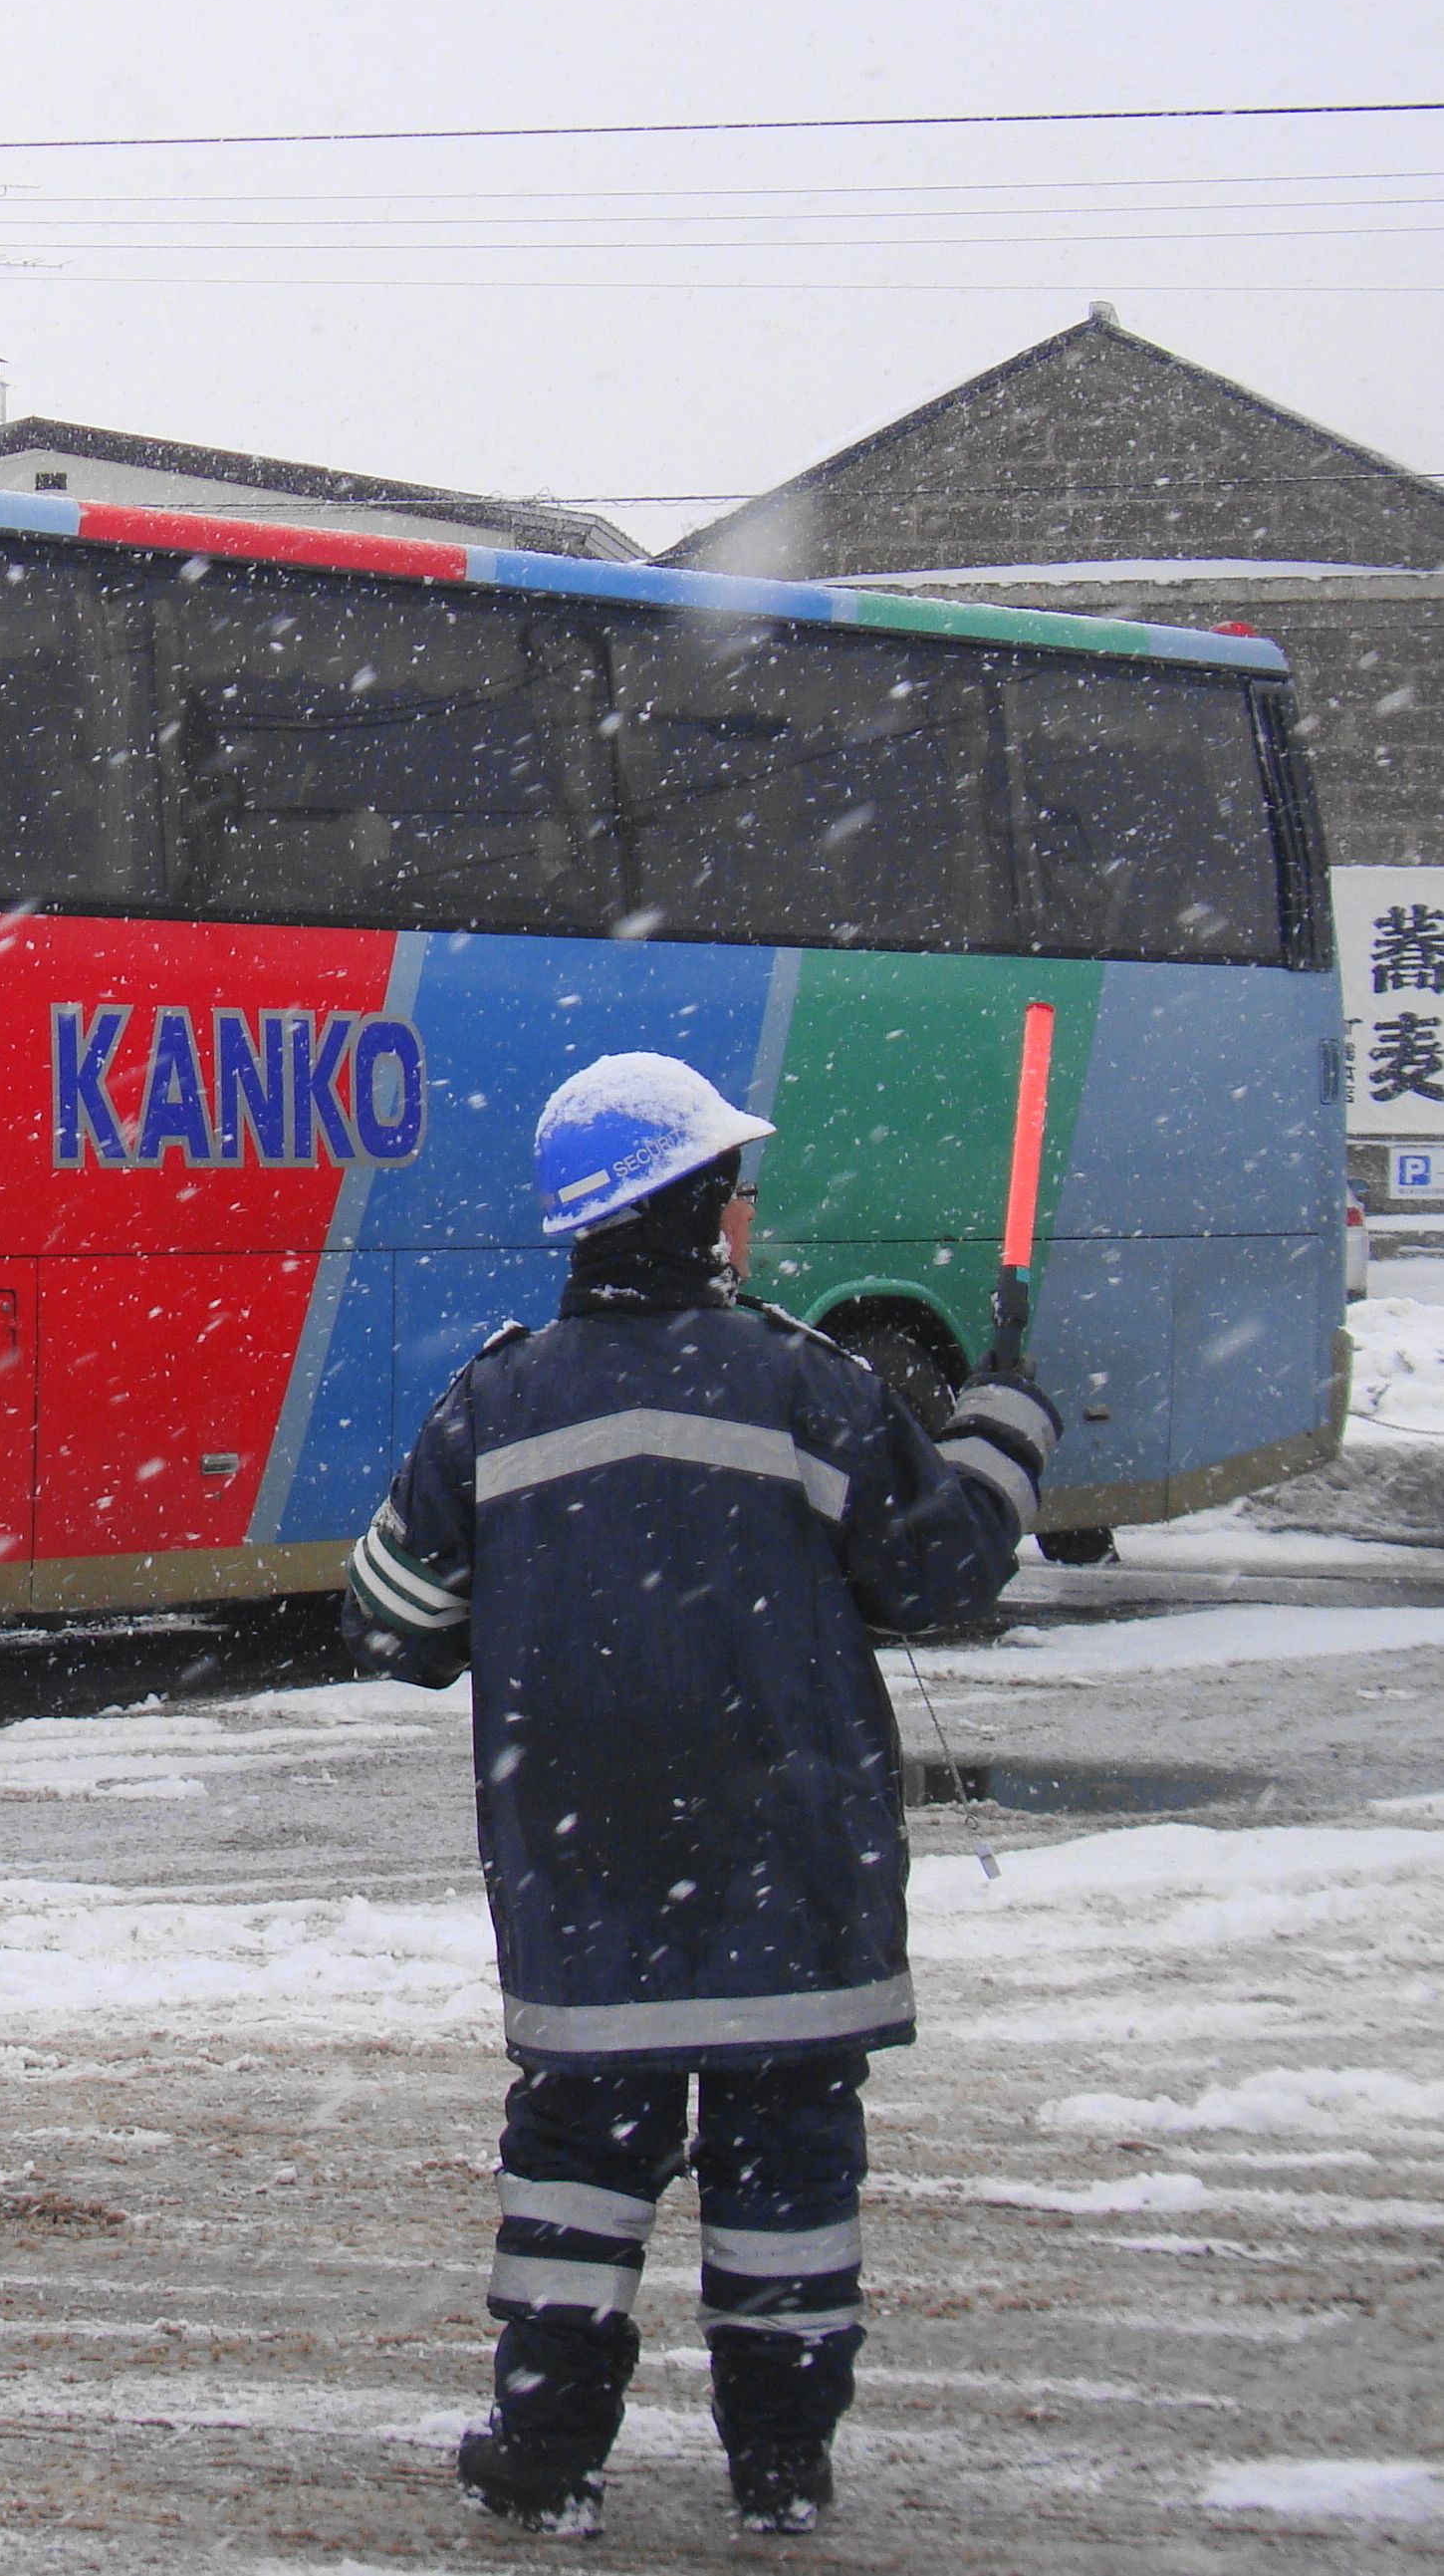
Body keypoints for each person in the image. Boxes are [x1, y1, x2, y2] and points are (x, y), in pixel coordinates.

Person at [338, 1052, 1056, 2540]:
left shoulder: (501, 1398)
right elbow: (937, 1569)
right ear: (698, 1208)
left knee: (574, 2178)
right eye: (733, 1188)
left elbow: (393, 1619)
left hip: (581, 1872)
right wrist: (1006, 1428)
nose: (745, 1215)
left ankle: (548, 2457)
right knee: (788, 2173)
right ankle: (781, 2466)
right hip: (788, 1875)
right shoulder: (808, 1381)